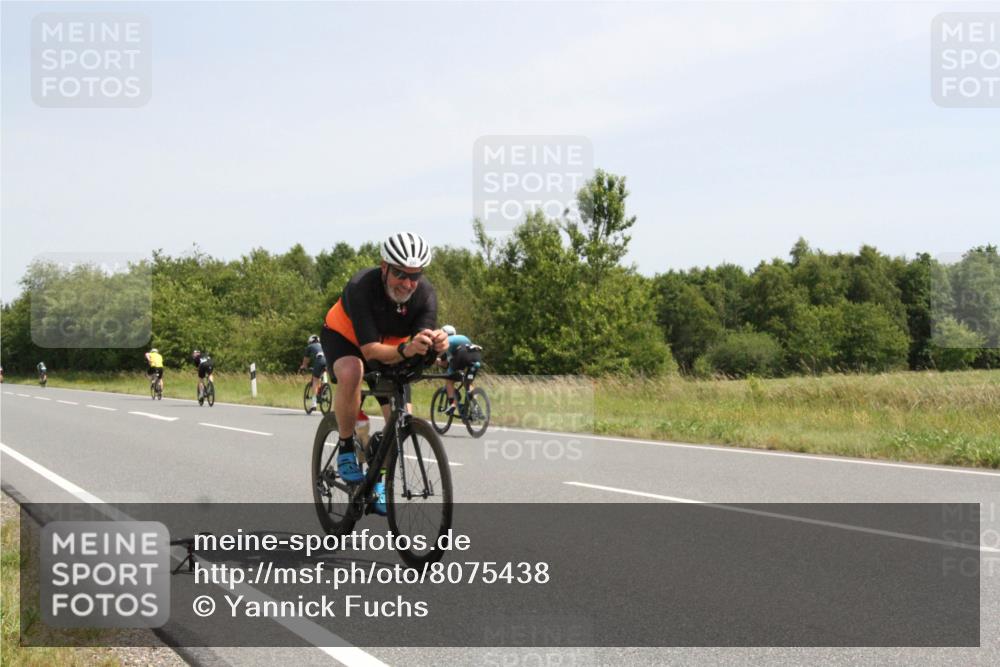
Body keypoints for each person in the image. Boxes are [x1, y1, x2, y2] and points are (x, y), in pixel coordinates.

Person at [321, 232, 448, 514]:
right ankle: (345, 447)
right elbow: (368, 351)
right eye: (400, 274)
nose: (408, 283)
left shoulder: (425, 295)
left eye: (415, 276)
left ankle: (376, 479)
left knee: (401, 420)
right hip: (346, 338)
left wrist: (435, 347)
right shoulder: (361, 287)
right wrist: (406, 350)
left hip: (390, 347)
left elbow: (418, 347)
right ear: (384, 267)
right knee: (354, 370)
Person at [437, 325, 483, 415]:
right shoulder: (463, 337)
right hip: (476, 355)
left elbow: (445, 363)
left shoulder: (446, 341)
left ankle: (452, 404)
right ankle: (475, 406)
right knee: (468, 382)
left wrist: (436, 361)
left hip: (461, 354)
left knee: (449, 380)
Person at [298, 334, 326, 411]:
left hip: (320, 360)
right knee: (324, 372)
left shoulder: (310, 346)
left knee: (315, 380)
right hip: (329, 360)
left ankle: (314, 403)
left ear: (310, 341)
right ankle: (325, 388)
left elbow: (306, 360)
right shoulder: (323, 345)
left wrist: (303, 367)